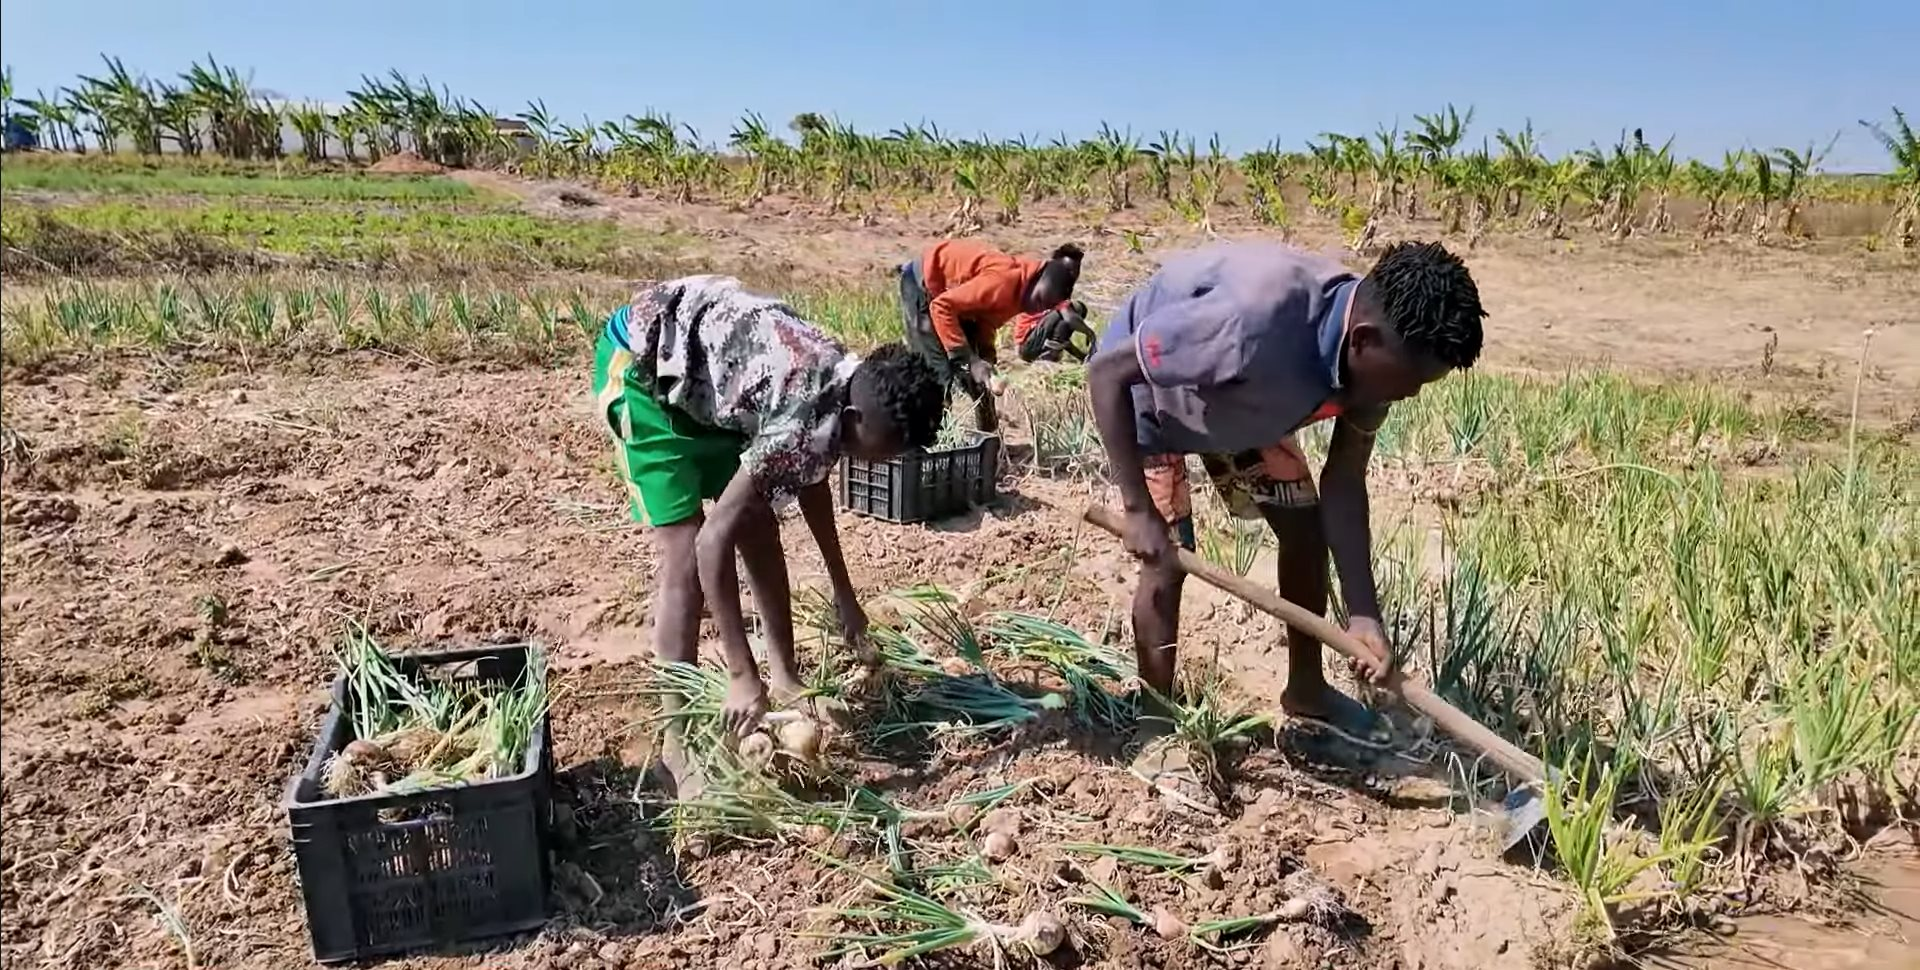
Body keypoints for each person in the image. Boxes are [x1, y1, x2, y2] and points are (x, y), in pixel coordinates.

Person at [1087, 240, 1486, 785]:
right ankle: (1156, 722)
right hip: (1154, 400)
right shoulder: (1252, 321)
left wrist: (1364, 613)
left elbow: (1344, 481)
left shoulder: (1376, 359)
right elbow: (1109, 373)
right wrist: (1137, 508)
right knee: (1167, 559)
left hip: (1248, 407)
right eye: (1410, 382)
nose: (1410, 395)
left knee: (1304, 528)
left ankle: (1307, 689)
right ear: (1365, 341)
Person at [592, 274, 946, 795]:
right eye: (889, 449)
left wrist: (843, 593)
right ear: (853, 420)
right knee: (687, 557)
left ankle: (785, 677)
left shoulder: (843, 383)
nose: (888, 461)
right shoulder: (801, 419)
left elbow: (813, 479)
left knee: (758, 522)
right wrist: (740, 672)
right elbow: (715, 539)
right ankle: (677, 743)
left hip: (711, 380)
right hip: (647, 370)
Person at [899, 240, 1084, 430]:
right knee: (938, 375)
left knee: (980, 381)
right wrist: (970, 359)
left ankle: (990, 440)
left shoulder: (1023, 297)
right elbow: (941, 307)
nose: (1035, 307)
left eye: (1041, 307)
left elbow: (985, 322)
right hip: (924, 286)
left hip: (956, 303)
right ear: (1037, 280)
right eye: (1038, 300)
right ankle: (931, 444)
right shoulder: (1004, 280)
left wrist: (986, 358)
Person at [1014, 299, 1097, 363]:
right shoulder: (1060, 303)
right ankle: (1049, 356)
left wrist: (1084, 358)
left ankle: (1050, 354)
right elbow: (1070, 319)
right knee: (1066, 316)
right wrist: (1090, 334)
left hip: (1025, 350)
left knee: (1063, 320)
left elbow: (1065, 342)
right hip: (1028, 345)